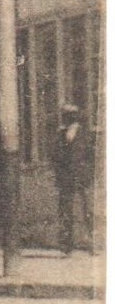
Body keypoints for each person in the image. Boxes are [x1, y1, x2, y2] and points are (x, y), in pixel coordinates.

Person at [52, 104, 96, 256]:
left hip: (82, 177)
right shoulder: (60, 133)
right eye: (66, 114)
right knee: (65, 212)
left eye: (72, 114)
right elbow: (55, 156)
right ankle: (66, 246)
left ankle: (92, 244)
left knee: (87, 211)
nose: (69, 117)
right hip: (66, 178)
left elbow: (91, 156)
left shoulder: (85, 134)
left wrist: (89, 175)